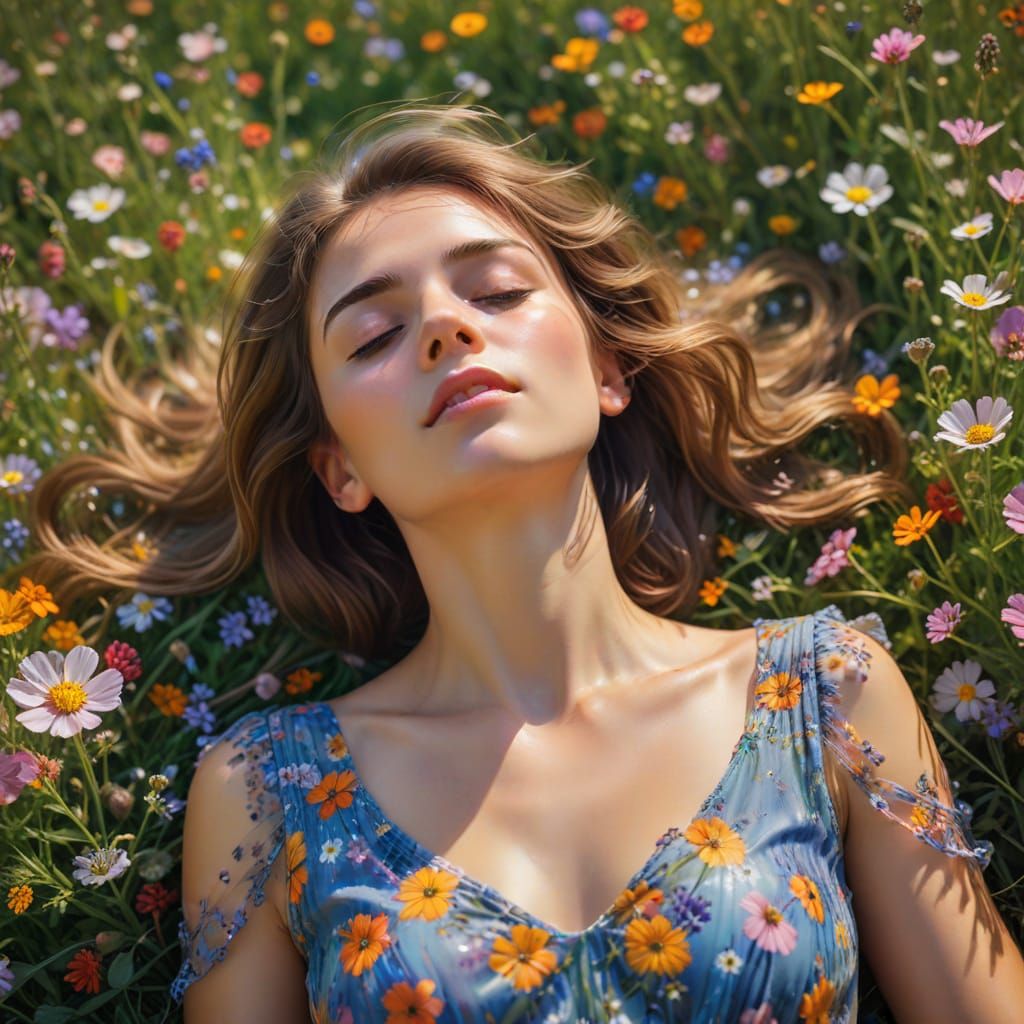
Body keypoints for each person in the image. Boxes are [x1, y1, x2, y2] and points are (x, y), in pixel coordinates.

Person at [25, 104, 1024, 1022]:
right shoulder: (265, 789)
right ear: (339, 469)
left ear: (606, 368)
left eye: (497, 290)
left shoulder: (827, 694)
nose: (447, 328)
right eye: (373, 334)